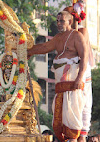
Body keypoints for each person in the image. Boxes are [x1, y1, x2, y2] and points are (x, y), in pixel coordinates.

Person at [28, 11, 88, 142]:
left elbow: (85, 57)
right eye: (57, 21)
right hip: (60, 89)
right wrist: (28, 51)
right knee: (58, 122)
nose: (59, 24)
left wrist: (79, 77)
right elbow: (44, 47)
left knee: (72, 124)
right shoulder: (58, 38)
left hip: (73, 87)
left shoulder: (77, 36)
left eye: (62, 21)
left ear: (70, 22)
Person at [64, 6, 94, 142]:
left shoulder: (83, 31)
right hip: (69, 75)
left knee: (84, 106)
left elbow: (83, 53)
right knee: (70, 107)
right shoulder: (62, 36)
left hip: (82, 74)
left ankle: (81, 137)